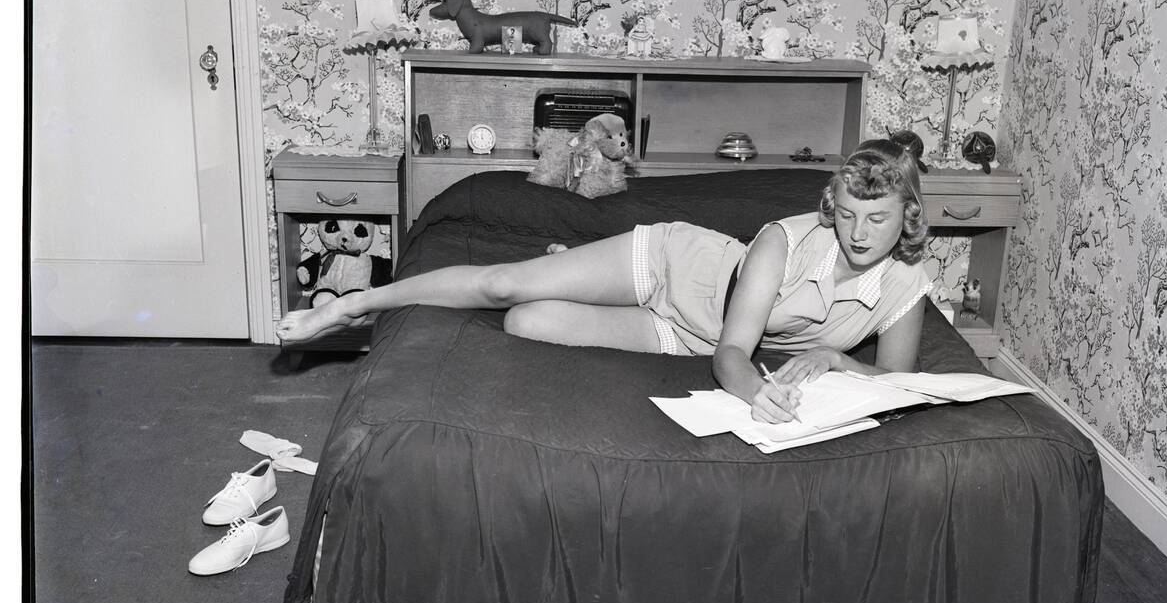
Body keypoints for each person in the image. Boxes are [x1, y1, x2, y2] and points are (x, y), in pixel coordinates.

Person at [276, 138, 932, 425]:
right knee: (505, 286)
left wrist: (837, 357)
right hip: (681, 266)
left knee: (525, 321)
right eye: (846, 215)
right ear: (830, 207)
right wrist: (760, 395)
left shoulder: (906, 282)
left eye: (877, 218)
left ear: (906, 215)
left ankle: (571, 258)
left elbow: (902, 383)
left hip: (687, 338)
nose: (859, 232)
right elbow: (735, 355)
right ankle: (358, 303)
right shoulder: (781, 242)